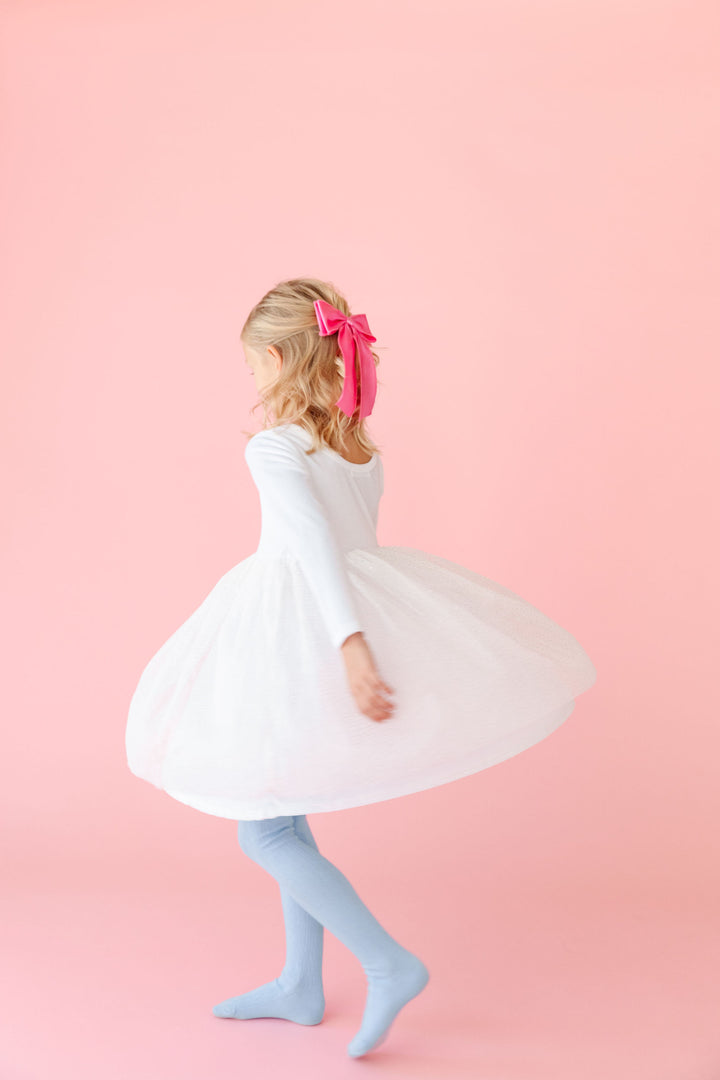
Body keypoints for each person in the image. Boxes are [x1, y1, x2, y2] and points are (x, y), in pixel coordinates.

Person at [125, 277, 596, 1057]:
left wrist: (348, 641)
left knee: (262, 830)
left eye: (251, 368)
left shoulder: (275, 447)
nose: (251, 382)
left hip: (300, 620)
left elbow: (310, 543)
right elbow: (348, 539)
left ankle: (387, 962)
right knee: (285, 804)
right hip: (332, 610)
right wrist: (349, 632)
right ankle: (300, 986)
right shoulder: (358, 444)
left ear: (275, 359)